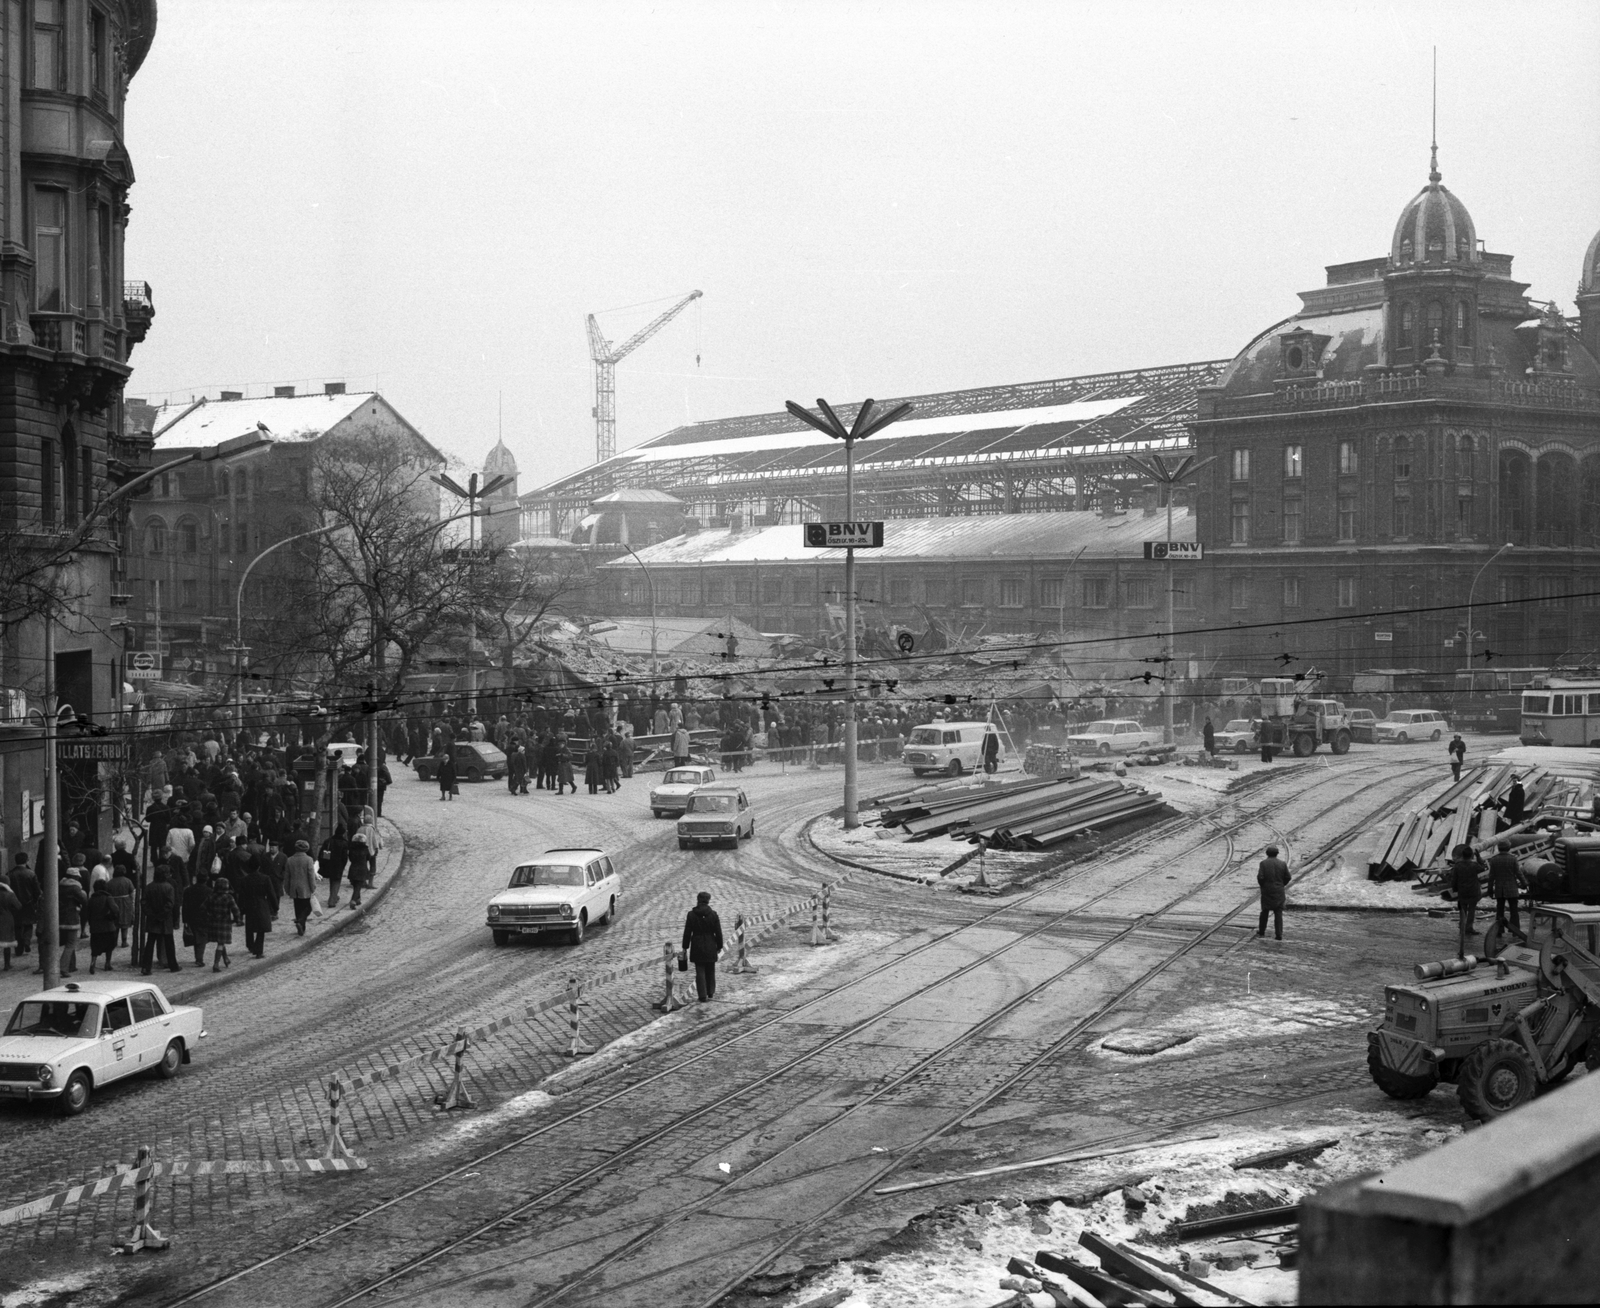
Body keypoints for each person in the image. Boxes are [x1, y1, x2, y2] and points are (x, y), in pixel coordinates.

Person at [681, 890, 724, 1003]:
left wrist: (685, 946)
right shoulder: (713, 914)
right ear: (708, 901)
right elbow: (718, 932)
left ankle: (702, 995)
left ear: (698, 900)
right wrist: (719, 945)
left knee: (699, 971)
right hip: (710, 944)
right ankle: (710, 992)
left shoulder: (691, 914)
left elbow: (687, 932)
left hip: (697, 945)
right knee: (711, 969)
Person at [140, 868, 181, 974]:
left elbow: (144, 902)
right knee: (169, 944)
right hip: (165, 919)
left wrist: (151, 914)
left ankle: (146, 966)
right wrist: (161, 915)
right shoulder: (169, 887)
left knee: (150, 944)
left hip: (152, 919)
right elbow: (170, 904)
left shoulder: (149, 887)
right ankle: (173, 965)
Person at [1448, 842, 1483, 958]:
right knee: (1472, 909)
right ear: (1471, 855)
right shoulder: (1474, 866)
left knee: (1462, 909)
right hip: (1473, 890)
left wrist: (1454, 889)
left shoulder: (1457, 866)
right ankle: (1469, 927)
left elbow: (1454, 879)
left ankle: (1462, 926)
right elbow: (1483, 868)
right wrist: (1479, 857)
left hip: (1462, 891)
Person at [1488, 840, 1526, 941]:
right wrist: (1524, 883)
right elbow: (1518, 873)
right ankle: (1515, 931)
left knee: (1499, 911)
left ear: (1499, 848)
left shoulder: (1494, 860)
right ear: (1509, 848)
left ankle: (1499, 930)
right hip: (1512, 888)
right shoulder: (1513, 859)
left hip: (1499, 889)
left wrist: (1490, 889)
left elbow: (1491, 876)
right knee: (1514, 911)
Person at [240, 859, 275, 959]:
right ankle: (259, 951)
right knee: (261, 928)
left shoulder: (245, 879)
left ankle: (250, 945)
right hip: (261, 903)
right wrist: (274, 906)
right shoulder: (265, 878)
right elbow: (271, 893)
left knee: (249, 926)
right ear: (259, 867)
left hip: (249, 904)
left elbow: (241, 895)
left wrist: (241, 909)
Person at [206, 872, 241, 972]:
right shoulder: (228, 897)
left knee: (220, 941)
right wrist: (238, 919)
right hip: (224, 922)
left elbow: (203, 908)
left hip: (213, 922)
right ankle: (216, 964)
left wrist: (209, 915)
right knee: (221, 943)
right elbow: (236, 910)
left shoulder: (211, 896)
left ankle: (226, 959)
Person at [56, 868, 88, 976]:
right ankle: (63, 967)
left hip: (60, 917)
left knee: (68, 942)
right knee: (71, 944)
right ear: (75, 877)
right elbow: (84, 900)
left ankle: (72, 966)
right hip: (72, 918)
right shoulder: (75, 887)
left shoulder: (59, 886)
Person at [1255, 845, 1291, 941]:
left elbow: (1260, 877)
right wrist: (1281, 884)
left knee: (1265, 911)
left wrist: (1263, 885)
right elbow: (1288, 877)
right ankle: (1279, 934)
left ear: (1267, 854)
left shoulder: (1263, 863)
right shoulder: (1282, 864)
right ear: (1277, 854)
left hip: (1267, 891)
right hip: (1279, 891)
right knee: (1278, 912)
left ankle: (1262, 931)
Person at [284, 839, 318, 936]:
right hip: (305, 886)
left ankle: (301, 928)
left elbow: (287, 876)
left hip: (294, 887)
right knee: (308, 907)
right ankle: (300, 921)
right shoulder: (309, 860)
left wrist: (287, 888)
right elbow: (311, 875)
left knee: (297, 907)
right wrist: (313, 887)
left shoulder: (289, 859)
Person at [86, 880, 120, 973]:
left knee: (95, 947)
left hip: (95, 928)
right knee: (109, 945)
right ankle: (107, 963)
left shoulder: (91, 899)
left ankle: (93, 963)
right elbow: (115, 909)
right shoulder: (108, 897)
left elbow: (88, 913)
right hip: (107, 926)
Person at [11, 852, 38, 958]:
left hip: (14, 904)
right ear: (27, 860)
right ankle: (27, 941)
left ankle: (19, 948)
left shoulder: (10, 874)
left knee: (17, 926)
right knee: (28, 924)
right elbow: (36, 890)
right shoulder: (31, 874)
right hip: (29, 903)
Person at [182, 874, 211, 967]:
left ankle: (198, 957)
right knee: (202, 938)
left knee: (195, 936)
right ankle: (199, 958)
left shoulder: (188, 890)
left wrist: (184, 919)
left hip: (191, 917)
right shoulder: (209, 891)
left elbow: (184, 906)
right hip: (203, 917)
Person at [0, 871, 20, 971]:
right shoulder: (9, 894)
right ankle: (7, 964)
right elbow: (18, 906)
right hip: (6, 920)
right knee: (6, 943)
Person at [346, 833, 372, 908]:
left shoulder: (351, 849)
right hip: (362, 869)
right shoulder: (365, 849)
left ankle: (358, 899)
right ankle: (353, 900)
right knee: (358, 886)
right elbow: (368, 858)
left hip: (353, 868)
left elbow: (350, 859)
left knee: (355, 884)